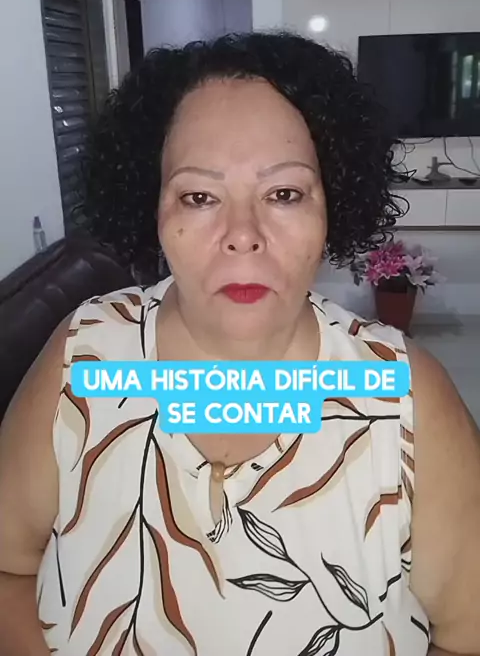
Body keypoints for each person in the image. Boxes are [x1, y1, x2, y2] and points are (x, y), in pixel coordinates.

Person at [0, 32, 479, 656]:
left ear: (330, 208)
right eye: (199, 196)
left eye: (284, 194)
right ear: (153, 209)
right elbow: (7, 567)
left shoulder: (409, 398)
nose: (243, 234)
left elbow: (467, 635)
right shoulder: (81, 354)